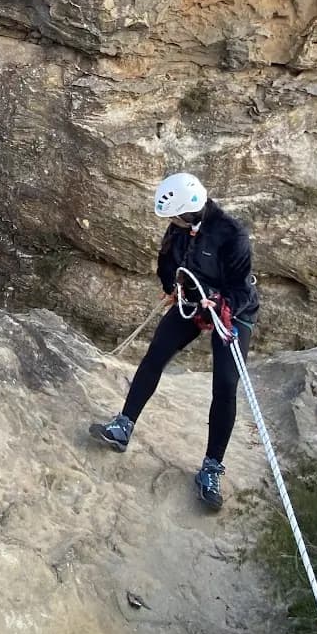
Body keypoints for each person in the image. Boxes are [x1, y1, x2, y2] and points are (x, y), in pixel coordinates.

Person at [89, 172, 260, 510]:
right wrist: (173, 287)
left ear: (189, 211)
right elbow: (168, 262)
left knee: (225, 384)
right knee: (156, 355)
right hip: (193, 303)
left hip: (232, 311)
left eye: (175, 217)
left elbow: (241, 287)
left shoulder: (231, 234)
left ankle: (211, 469)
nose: (172, 222)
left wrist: (222, 305)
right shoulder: (181, 228)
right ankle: (123, 426)